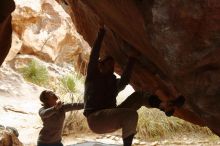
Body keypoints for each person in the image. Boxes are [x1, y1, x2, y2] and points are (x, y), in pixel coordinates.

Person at [83, 26, 185, 146]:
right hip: (96, 120)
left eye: (112, 64)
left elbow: (125, 79)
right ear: (101, 65)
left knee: (139, 96)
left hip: (111, 115)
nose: (111, 66)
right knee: (130, 115)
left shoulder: (114, 84)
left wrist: (132, 58)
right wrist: (101, 32)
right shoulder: (93, 77)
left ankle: (164, 105)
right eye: (108, 64)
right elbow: (94, 56)